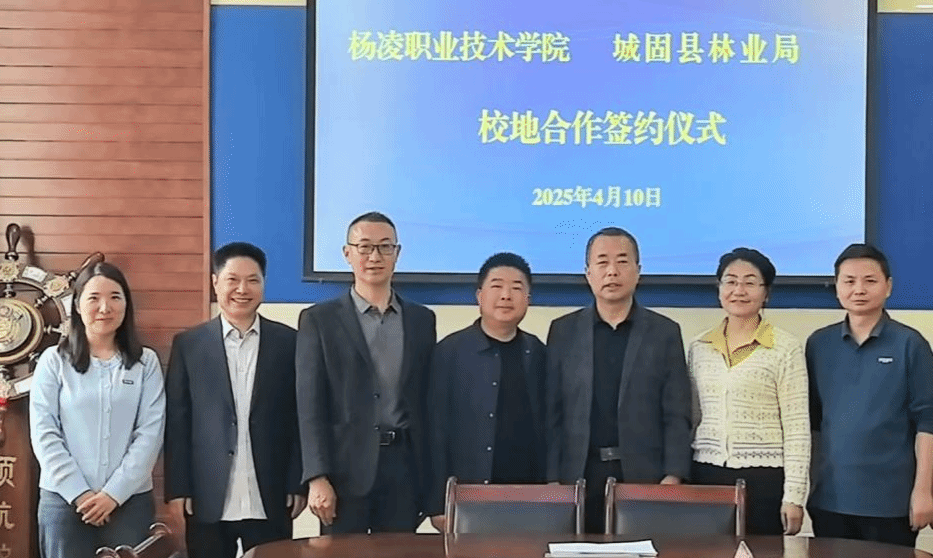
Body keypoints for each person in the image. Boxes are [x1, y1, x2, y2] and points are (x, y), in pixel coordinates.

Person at [164, 242, 303, 558]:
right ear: (215, 282)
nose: (243, 289)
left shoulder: (290, 342)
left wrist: (297, 481)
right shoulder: (189, 345)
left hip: (270, 494)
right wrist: (179, 488)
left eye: (253, 280)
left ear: (264, 284)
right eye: (232, 280)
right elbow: (178, 422)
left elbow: (300, 418)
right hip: (208, 497)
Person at [545, 227, 692, 534]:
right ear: (588, 273)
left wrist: (674, 475)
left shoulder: (664, 332)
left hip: (645, 476)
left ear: (638, 271)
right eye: (602, 262)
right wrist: (552, 477)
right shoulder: (563, 331)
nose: (612, 271)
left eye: (622, 261)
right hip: (578, 475)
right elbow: (552, 412)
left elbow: (677, 412)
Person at [296, 211, 436, 533]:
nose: (375, 256)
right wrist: (317, 476)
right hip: (343, 472)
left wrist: (430, 483)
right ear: (348, 253)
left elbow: (427, 403)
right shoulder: (319, 320)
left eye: (385, 247)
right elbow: (309, 406)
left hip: (404, 470)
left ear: (397, 254)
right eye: (365, 247)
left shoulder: (421, 320)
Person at [30, 262, 164, 558]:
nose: (105, 307)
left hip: (130, 501)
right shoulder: (54, 361)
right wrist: (80, 493)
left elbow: (150, 433)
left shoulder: (145, 363)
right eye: (94, 298)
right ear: (77, 306)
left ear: (127, 305)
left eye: (115, 297)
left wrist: (112, 494)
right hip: (64, 501)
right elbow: (44, 432)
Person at [805, 243, 933, 547]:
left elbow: (928, 422)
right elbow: (813, 423)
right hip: (830, 500)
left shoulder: (910, 344)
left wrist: (924, 491)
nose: (859, 289)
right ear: (837, 287)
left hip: (892, 502)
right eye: (849, 281)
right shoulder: (819, 344)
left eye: (870, 280)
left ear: (888, 286)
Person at [689, 247, 810, 535]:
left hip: (764, 479)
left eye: (750, 282)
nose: (739, 290)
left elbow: (797, 427)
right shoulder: (699, 347)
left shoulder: (785, 348)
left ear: (766, 293)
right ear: (719, 289)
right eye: (730, 281)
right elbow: (691, 417)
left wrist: (794, 496)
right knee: (707, 556)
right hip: (706, 474)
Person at [425, 252, 547, 528]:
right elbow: (435, 432)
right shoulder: (449, 352)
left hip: (529, 496)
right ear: (479, 296)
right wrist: (437, 502)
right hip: (467, 497)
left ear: (528, 299)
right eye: (497, 286)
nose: (506, 295)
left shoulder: (538, 352)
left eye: (516, 288)